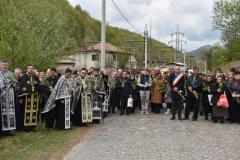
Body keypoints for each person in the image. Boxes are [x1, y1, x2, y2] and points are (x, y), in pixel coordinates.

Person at [16, 64, 40, 131]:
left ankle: (32, 126)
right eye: (29, 68)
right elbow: (19, 88)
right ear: (27, 69)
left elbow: (38, 86)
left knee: (34, 111)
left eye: (32, 68)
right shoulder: (22, 77)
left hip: (34, 97)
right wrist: (20, 98)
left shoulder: (36, 77)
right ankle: (26, 127)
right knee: (26, 112)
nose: (31, 69)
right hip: (25, 97)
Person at [0, 60, 16, 136]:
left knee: (10, 113)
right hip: (2, 96)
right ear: (0, 65)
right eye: (3, 65)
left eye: (6, 65)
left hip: (10, 97)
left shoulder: (11, 73)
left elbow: (15, 83)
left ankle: (9, 130)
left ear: (8, 66)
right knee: (3, 113)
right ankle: (2, 130)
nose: (4, 66)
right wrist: (6, 83)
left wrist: (13, 82)